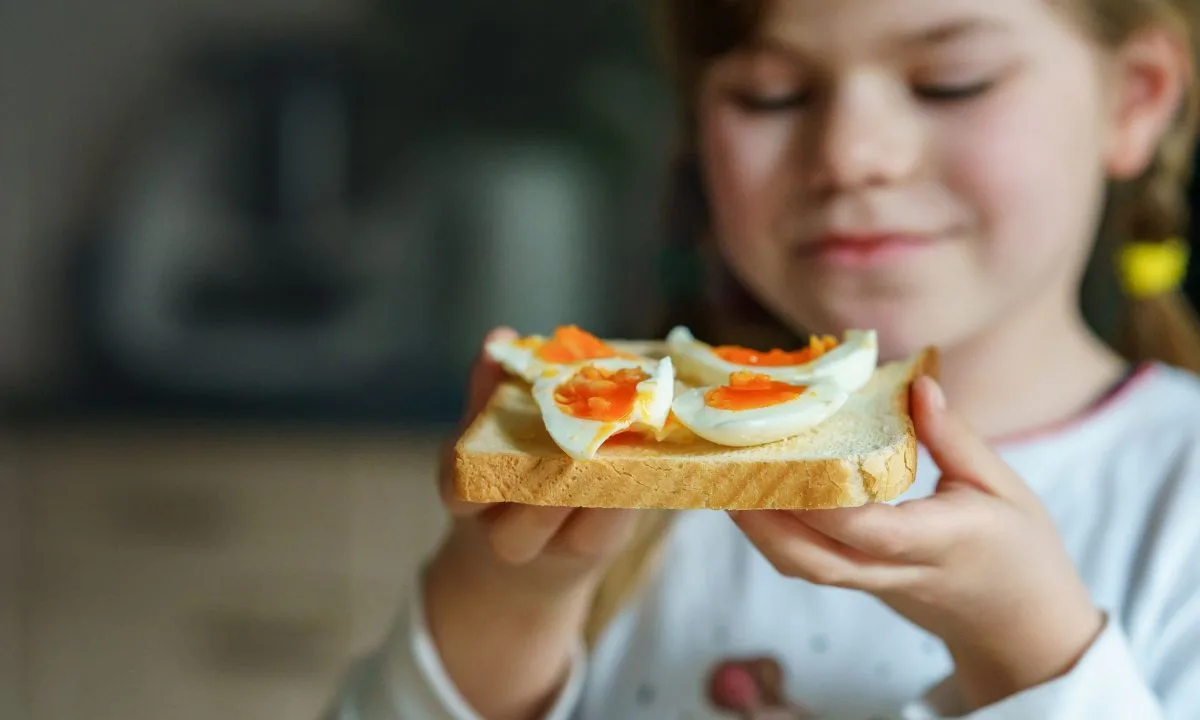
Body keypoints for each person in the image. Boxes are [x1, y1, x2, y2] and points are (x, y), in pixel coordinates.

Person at [329, 0, 1200, 717]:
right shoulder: (626, 477)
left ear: (1134, 98)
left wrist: (1028, 648)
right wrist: (506, 597)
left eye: (948, 84)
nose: (850, 157)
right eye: (771, 95)